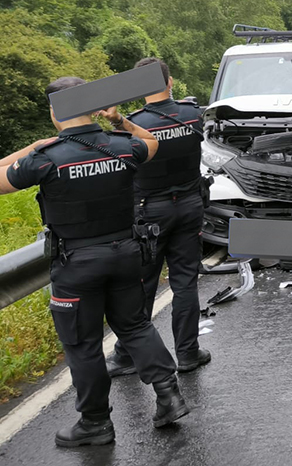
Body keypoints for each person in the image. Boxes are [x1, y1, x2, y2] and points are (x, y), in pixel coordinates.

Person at [0, 77, 189, 448]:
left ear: (55, 112)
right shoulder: (123, 146)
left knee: (82, 343)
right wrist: (119, 121)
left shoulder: (44, 158)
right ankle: (170, 396)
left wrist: (34, 146)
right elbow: (152, 142)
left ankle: (95, 423)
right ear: (90, 105)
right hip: (127, 254)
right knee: (134, 326)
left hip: (77, 265)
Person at [107, 58, 210, 377]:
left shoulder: (134, 124)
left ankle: (126, 355)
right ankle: (188, 353)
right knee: (184, 282)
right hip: (190, 207)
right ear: (171, 82)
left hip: (149, 212)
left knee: (142, 284)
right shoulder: (193, 115)